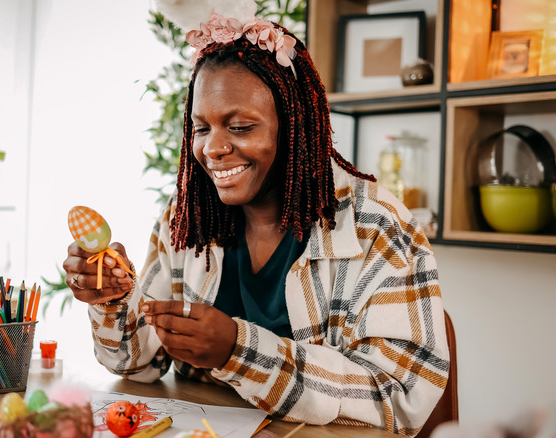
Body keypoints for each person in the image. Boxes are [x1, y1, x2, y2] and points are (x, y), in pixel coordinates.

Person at [62, 1, 449, 435]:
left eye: (241, 127)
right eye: (201, 128)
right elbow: (136, 366)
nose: (212, 149)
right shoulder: (188, 218)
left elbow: (400, 394)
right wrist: (112, 301)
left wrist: (237, 350)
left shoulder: (375, 227)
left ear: (295, 126)